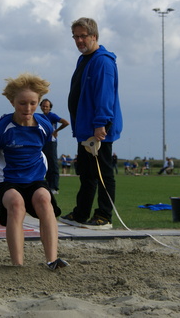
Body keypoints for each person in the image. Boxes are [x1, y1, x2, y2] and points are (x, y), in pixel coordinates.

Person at [0, 73, 69, 270]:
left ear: (39, 102)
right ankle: (17, 264)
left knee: (44, 198)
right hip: (9, 181)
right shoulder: (1, 129)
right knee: (16, 203)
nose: (28, 108)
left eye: (33, 103)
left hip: (34, 180)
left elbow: (43, 154)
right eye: (22, 103)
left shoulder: (45, 126)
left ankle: (52, 260)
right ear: (12, 101)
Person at [60, 17, 123, 230]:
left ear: (94, 36)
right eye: (75, 37)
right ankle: (81, 213)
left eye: (83, 36)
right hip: (85, 129)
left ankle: (104, 216)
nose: (79, 40)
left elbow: (104, 96)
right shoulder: (84, 60)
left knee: (103, 173)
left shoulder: (102, 61)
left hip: (98, 130)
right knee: (86, 174)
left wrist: (100, 125)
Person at [40, 98, 69, 194]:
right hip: (43, 143)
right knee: (45, 164)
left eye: (47, 106)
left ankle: (54, 187)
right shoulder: (40, 117)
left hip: (51, 143)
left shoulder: (52, 116)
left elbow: (66, 122)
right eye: (43, 106)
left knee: (53, 164)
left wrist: (56, 131)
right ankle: (48, 185)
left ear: (50, 108)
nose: (45, 108)